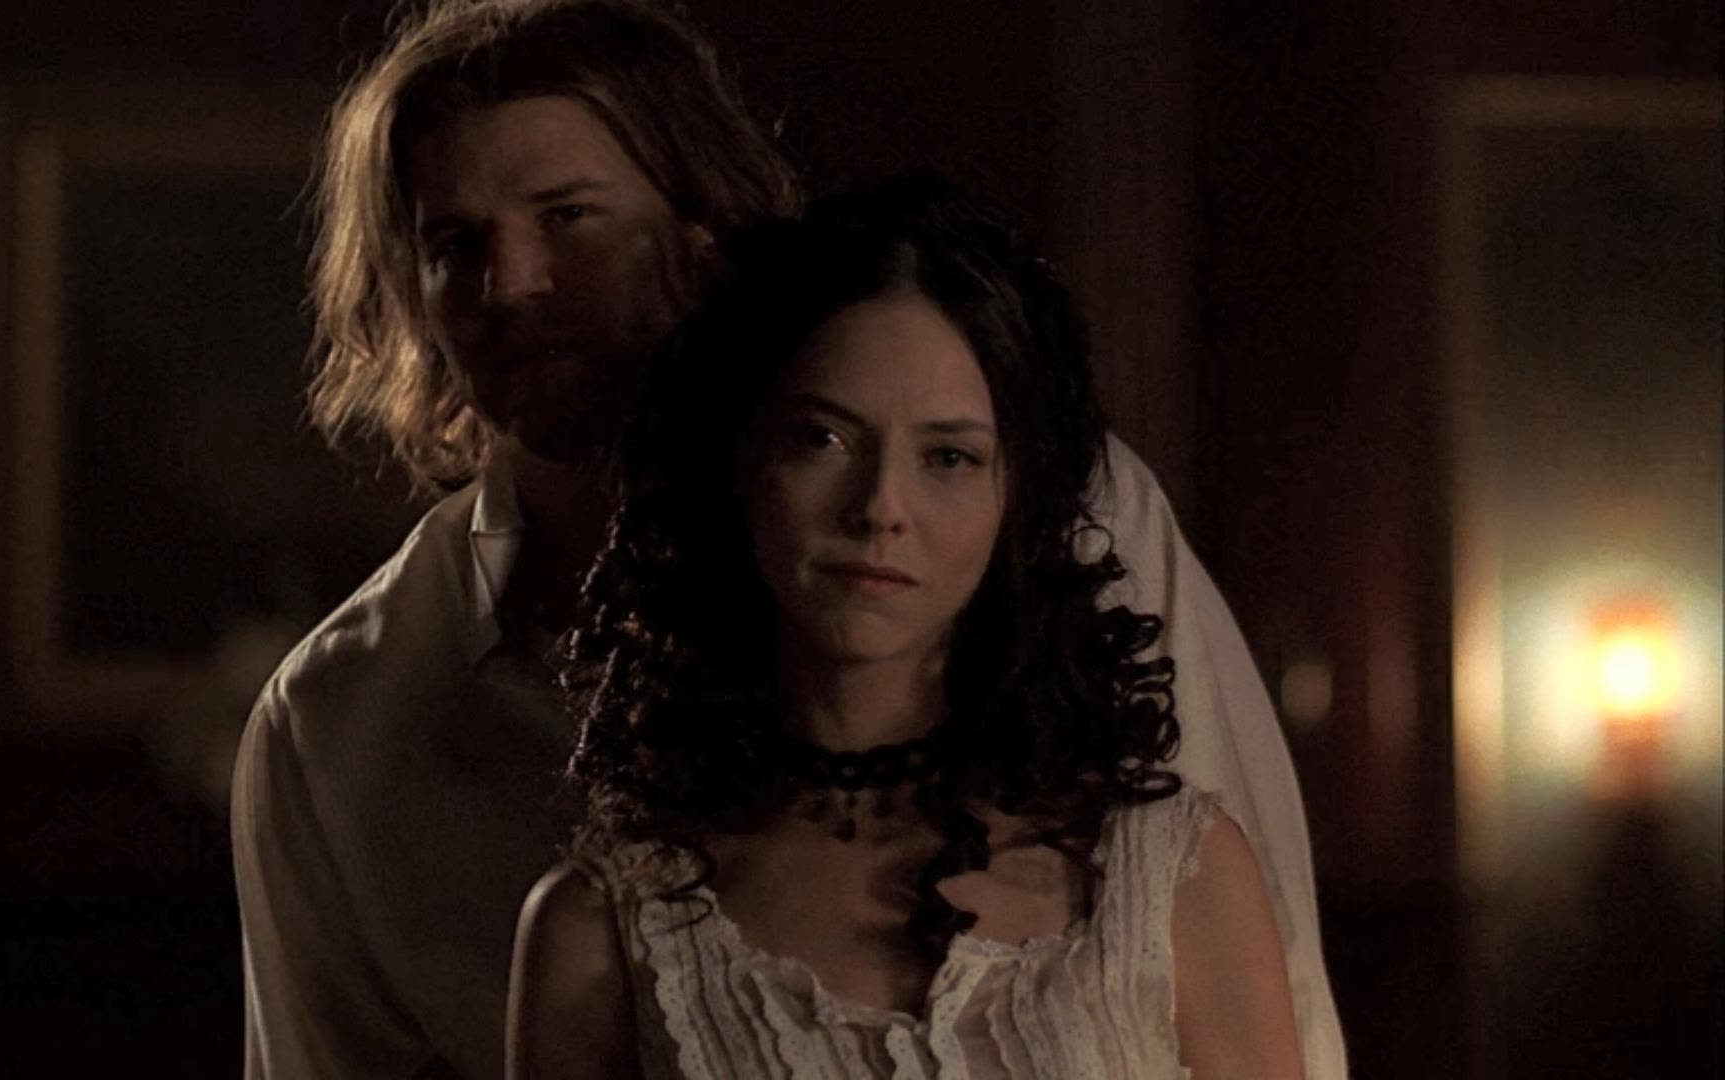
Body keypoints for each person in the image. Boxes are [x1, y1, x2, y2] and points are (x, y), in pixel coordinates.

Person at [231, 2, 1344, 1078]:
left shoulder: (1048, 514)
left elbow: (1259, 970)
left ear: (704, 232)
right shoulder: (340, 716)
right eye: (455, 243)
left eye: (568, 217)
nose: (513, 284)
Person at [507, 177, 1304, 1080]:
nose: (882, 507)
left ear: (1014, 498)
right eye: (823, 439)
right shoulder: (605, 929)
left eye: (948, 456)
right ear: (739, 460)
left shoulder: (1169, 874)